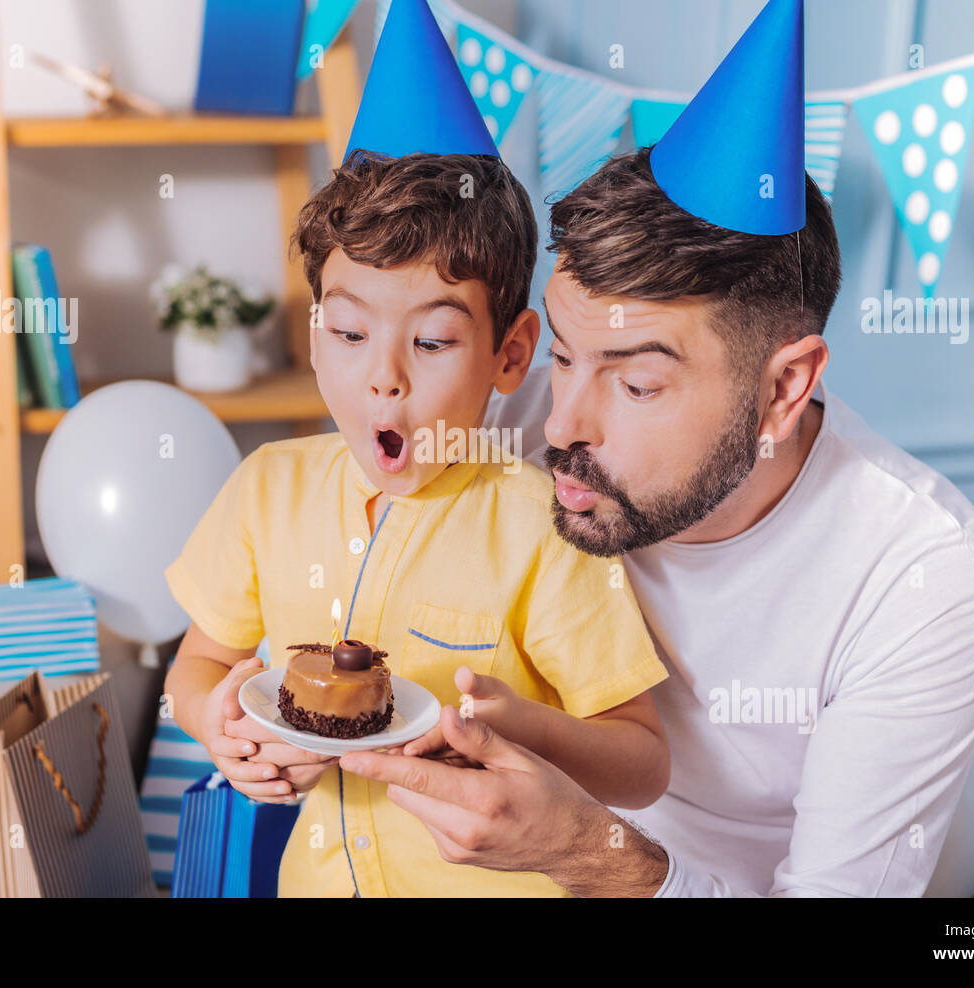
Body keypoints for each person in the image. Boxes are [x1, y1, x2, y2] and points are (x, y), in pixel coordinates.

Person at [336, 0, 974, 897]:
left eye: (637, 383)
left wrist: (591, 851)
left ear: (783, 388)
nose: (559, 427)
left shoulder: (923, 575)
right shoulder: (497, 428)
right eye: (566, 357)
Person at [160, 0, 670, 898]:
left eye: (432, 343)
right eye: (349, 333)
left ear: (510, 354)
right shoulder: (265, 491)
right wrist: (218, 726)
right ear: (313, 330)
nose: (383, 380)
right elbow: (198, 664)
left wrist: (529, 729)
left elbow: (642, 763)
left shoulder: (546, 524)